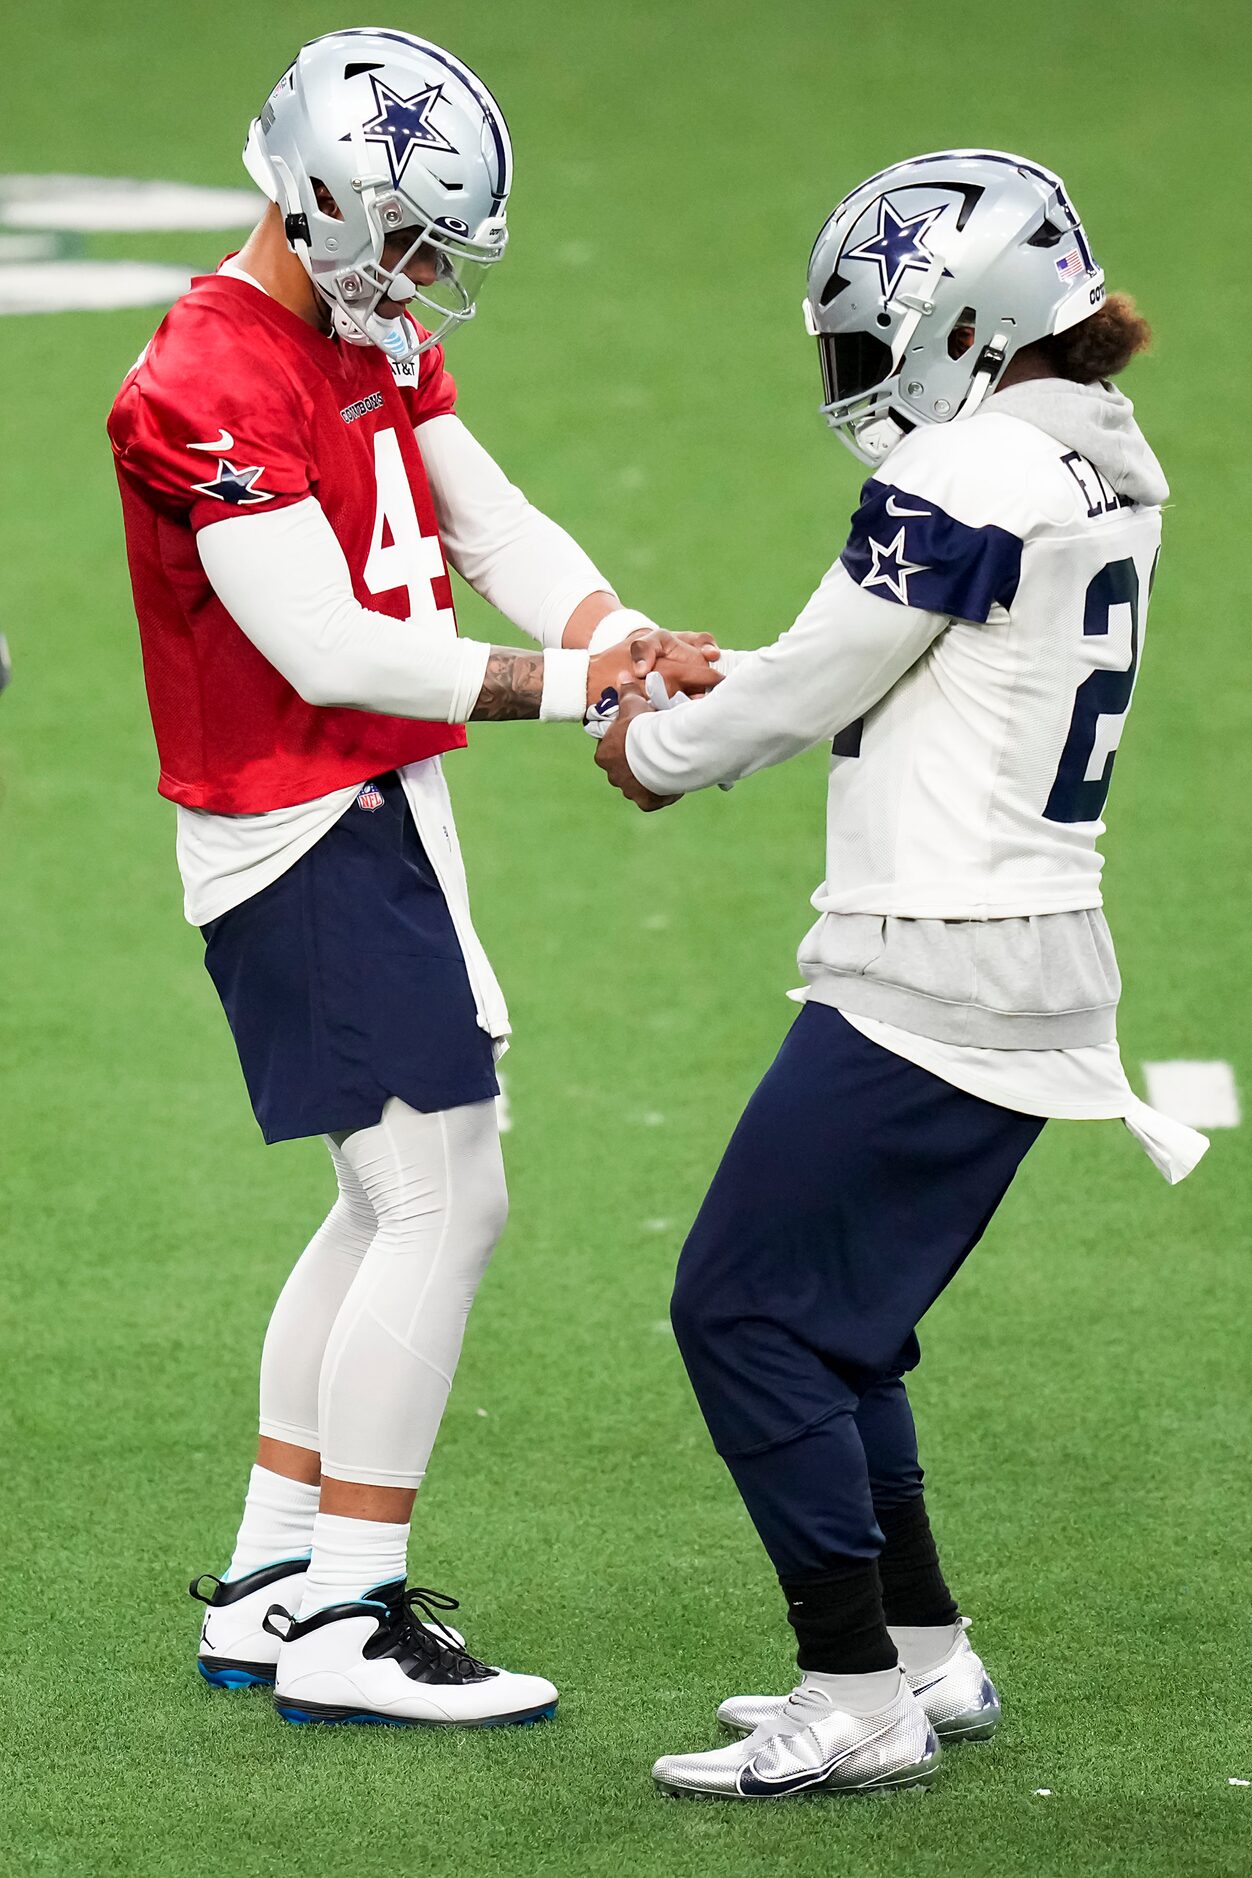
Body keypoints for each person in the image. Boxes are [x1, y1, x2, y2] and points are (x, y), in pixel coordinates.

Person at [107, 27, 717, 1731]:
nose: (431, 278)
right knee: (447, 1200)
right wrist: (559, 689)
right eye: (411, 240)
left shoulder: (350, 326)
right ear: (311, 201)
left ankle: (274, 1573)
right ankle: (351, 1618)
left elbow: (486, 515)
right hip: (296, 821)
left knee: (388, 1200)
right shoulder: (203, 378)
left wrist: (614, 630)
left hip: (362, 812)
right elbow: (322, 643)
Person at [595, 149, 1209, 1799]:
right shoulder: (1093, 459)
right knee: (841, 1330)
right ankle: (924, 1659)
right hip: (1020, 949)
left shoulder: (973, 473)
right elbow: (884, 655)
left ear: (962, 321)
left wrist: (652, 740)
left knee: (740, 1310)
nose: (862, 381)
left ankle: (848, 1690)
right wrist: (759, 681)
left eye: (876, 343)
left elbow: (816, 683)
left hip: (937, 959)